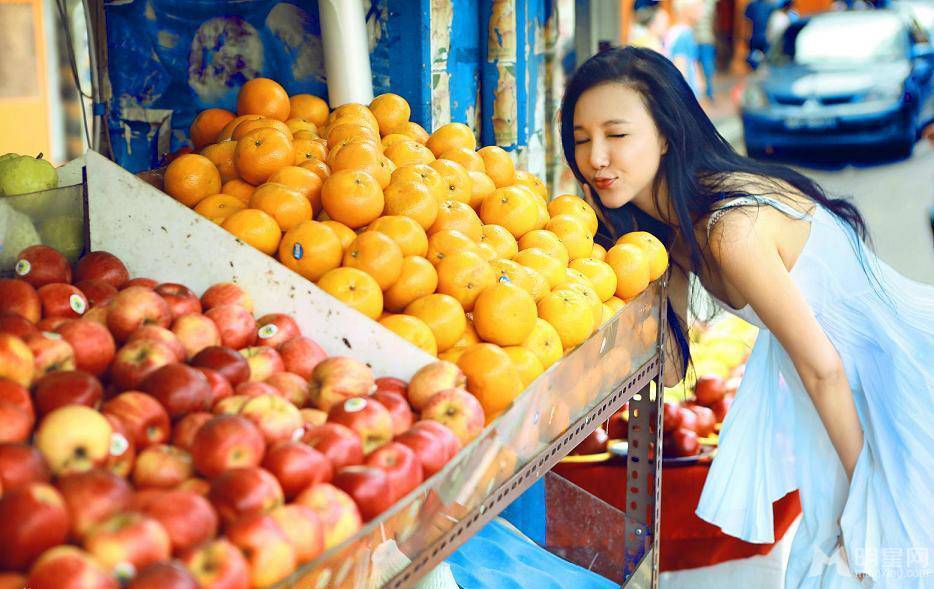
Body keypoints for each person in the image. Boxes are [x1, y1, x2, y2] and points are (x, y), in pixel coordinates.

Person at [561, 46, 933, 587]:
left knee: (887, 562)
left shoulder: (730, 227)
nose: (596, 157)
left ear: (665, 135)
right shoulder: (666, 228)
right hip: (848, 402)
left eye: (617, 135)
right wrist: (625, 258)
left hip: (892, 390)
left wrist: (863, 494)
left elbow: (823, 368)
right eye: (580, 139)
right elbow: (664, 368)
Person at [665, 0, 706, 98]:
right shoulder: (684, 35)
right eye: (698, 7)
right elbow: (680, 67)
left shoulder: (674, 31)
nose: (702, 11)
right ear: (686, 10)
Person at [694, 0, 718, 102]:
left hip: (698, 38)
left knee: (699, 65)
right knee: (706, 65)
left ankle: (707, 91)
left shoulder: (699, 6)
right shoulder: (708, 6)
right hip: (706, 38)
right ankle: (708, 91)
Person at [744, 0, 774, 68]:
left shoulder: (752, 5)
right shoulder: (769, 6)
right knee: (763, 59)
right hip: (763, 37)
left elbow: (747, 22)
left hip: (755, 36)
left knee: (754, 58)